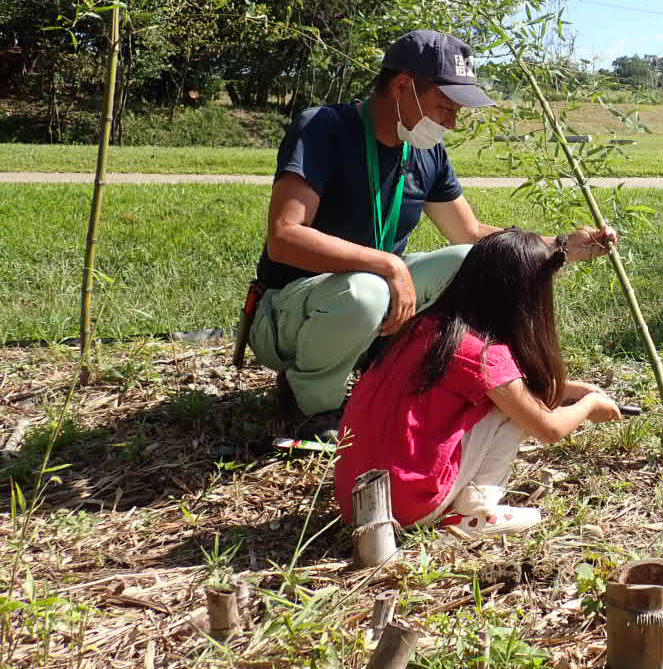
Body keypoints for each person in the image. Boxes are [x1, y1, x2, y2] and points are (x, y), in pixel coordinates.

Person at [247, 29, 617, 441]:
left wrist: (560, 247)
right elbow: (285, 236)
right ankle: (311, 405)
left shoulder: (426, 152)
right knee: (364, 290)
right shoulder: (322, 128)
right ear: (403, 85)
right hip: (287, 313)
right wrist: (388, 264)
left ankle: (456, 373)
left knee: (477, 260)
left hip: (374, 300)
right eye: (444, 107)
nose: (453, 123)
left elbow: (471, 233)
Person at [335, 228, 623, 537]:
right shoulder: (484, 356)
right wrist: (590, 404)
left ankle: (458, 502)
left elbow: (509, 385)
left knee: (511, 399)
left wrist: (574, 389)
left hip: (357, 500)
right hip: (406, 507)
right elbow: (548, 428)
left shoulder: (426, 327)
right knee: (512, 411)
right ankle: (475, 511)